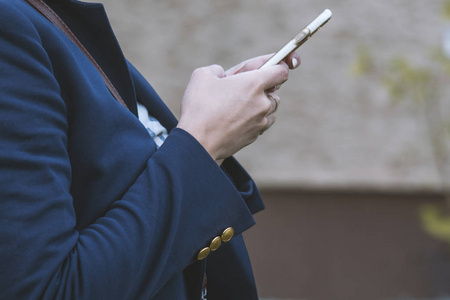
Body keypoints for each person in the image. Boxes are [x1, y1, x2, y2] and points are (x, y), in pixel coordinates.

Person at [0, 0, 300, 299]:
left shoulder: (52, 21)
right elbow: (46, 290)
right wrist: (205, 142)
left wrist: (213, 118)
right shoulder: (10, 26)